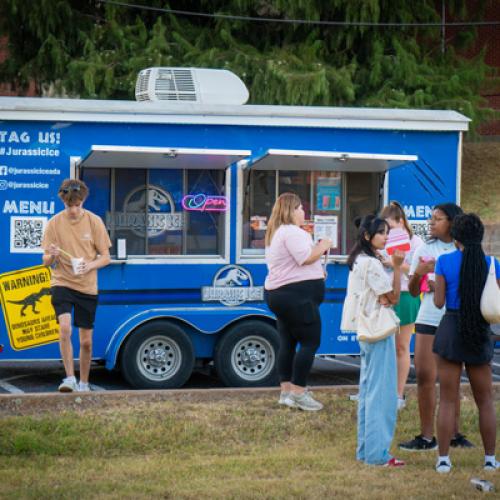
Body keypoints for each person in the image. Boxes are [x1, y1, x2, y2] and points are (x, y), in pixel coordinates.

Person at [399, 203, 473, 451]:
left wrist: (442, 284)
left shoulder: (465, 249)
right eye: (431, 218)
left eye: (438, 219)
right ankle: (426, 437)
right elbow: (411, 290)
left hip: (455, 318)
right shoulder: (424, 249)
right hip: (428, 317)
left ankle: (454, 434)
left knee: (452, 378)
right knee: (424, 376)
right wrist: (419, 274)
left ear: (452, 222)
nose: (431, 223)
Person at [433, 213, 499, 473]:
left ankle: (443, 459)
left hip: (451, 329)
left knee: (448, 399)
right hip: (479, 330)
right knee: (485, 400)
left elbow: (439, 302)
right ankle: (491, 459)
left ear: (455, 237)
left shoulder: (444, 261)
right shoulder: (493, 263)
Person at [341, 215, 405, 467]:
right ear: (368, 236)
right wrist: (398, 267)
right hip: (379, 331)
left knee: (368, 392)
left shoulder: (360, 260)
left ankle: (367, 451)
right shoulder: (372, 264)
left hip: (366, 330)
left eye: (387, 232)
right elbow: (394, 297)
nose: (386, 237)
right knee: (382, 394)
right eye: (381, 233)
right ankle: (378, 454)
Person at [42, 179, 111, 392]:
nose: (73, 210)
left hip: (87, 286)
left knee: (86, 342)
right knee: (64, 328)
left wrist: (89, 265)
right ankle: (70, 379)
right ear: (63, 202)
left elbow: (106, 257)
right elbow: (45, 260)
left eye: (77, 205)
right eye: (69, 205)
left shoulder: (94, 221)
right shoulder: (54, 223)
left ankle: (84, 383)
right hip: (61, 281)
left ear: (83, 201)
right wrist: (51, 255)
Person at [264, 192, 332, 411]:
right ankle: (299, 392)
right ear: (291, 210)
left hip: (282, 294)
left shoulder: (277, 233)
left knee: (288, 342)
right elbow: (305, 257)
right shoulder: (292, 232)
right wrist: (323, 245)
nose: (304, 212)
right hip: (297, 297)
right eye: (301, 208)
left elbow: (297, 264)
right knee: (311, 342)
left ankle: (286, 391)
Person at [380, 201, 423, 410]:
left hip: (407, 296)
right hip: (385, 295)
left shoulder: (416, 242)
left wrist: (396, 265)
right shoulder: (384, 240)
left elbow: (418, 273)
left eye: (390, 225)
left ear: (401, 221)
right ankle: (381, 391)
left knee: (401, 346)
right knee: (382, 346)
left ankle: (398, 394)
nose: (387, 231)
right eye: (384, 228)